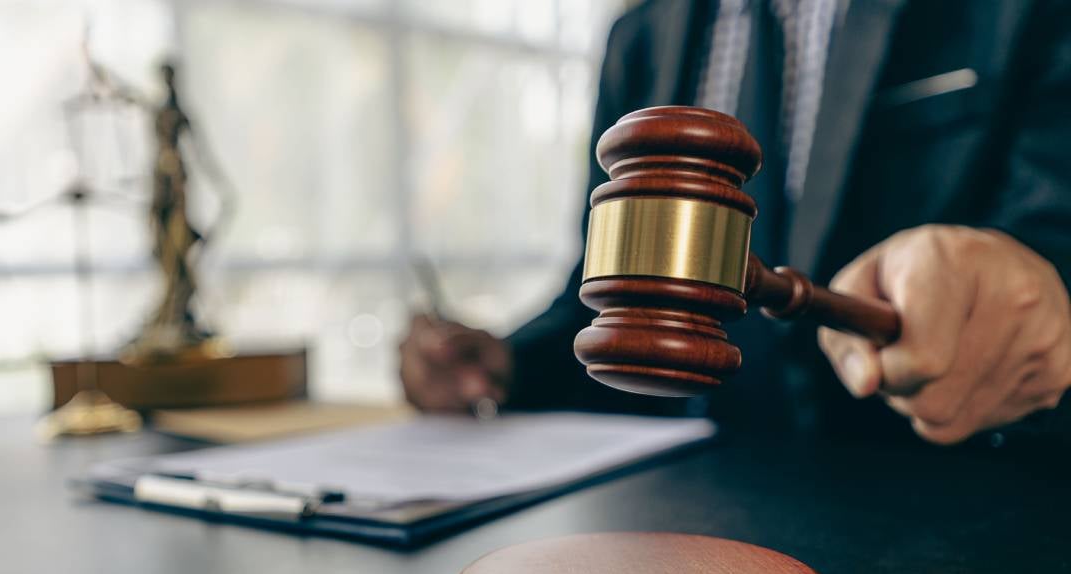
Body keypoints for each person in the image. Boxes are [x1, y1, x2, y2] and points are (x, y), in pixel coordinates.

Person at [400, 0, 1071, 444]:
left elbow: (1052, 242)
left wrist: (1034, 290)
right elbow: (611, 295)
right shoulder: (639, 38)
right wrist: (506, 365)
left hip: (947, 507)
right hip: (687, 508)